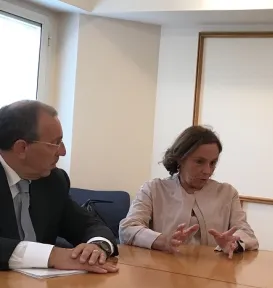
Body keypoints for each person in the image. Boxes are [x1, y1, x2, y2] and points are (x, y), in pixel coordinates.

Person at [0, 100, 119, 273]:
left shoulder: (53, 181)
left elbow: (88, 225)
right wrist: (51, 256)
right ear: (22, 148)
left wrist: (97, 246)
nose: (63, 152)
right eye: (55, 143)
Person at [119, 125, 258, 258]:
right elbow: (128, 229)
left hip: (212, 270)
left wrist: (234, 243)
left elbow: (247, 233)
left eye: (213, 163)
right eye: (199, 161)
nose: (207, 171)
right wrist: (161, 241)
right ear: (180, 159)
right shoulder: (153, 189)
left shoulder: (227, 193)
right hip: (163, 269)